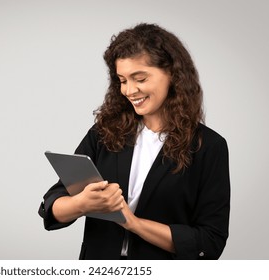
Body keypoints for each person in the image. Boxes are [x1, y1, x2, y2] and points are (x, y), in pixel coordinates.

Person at [38, 23, 230, 260]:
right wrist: (81, 204)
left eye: (139, 78)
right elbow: (51, 205)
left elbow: (210, 242)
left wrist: (133, 223)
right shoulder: (104, 133)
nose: (129, 91)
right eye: (122, 80)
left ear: (172, 74)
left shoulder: (208, 147)